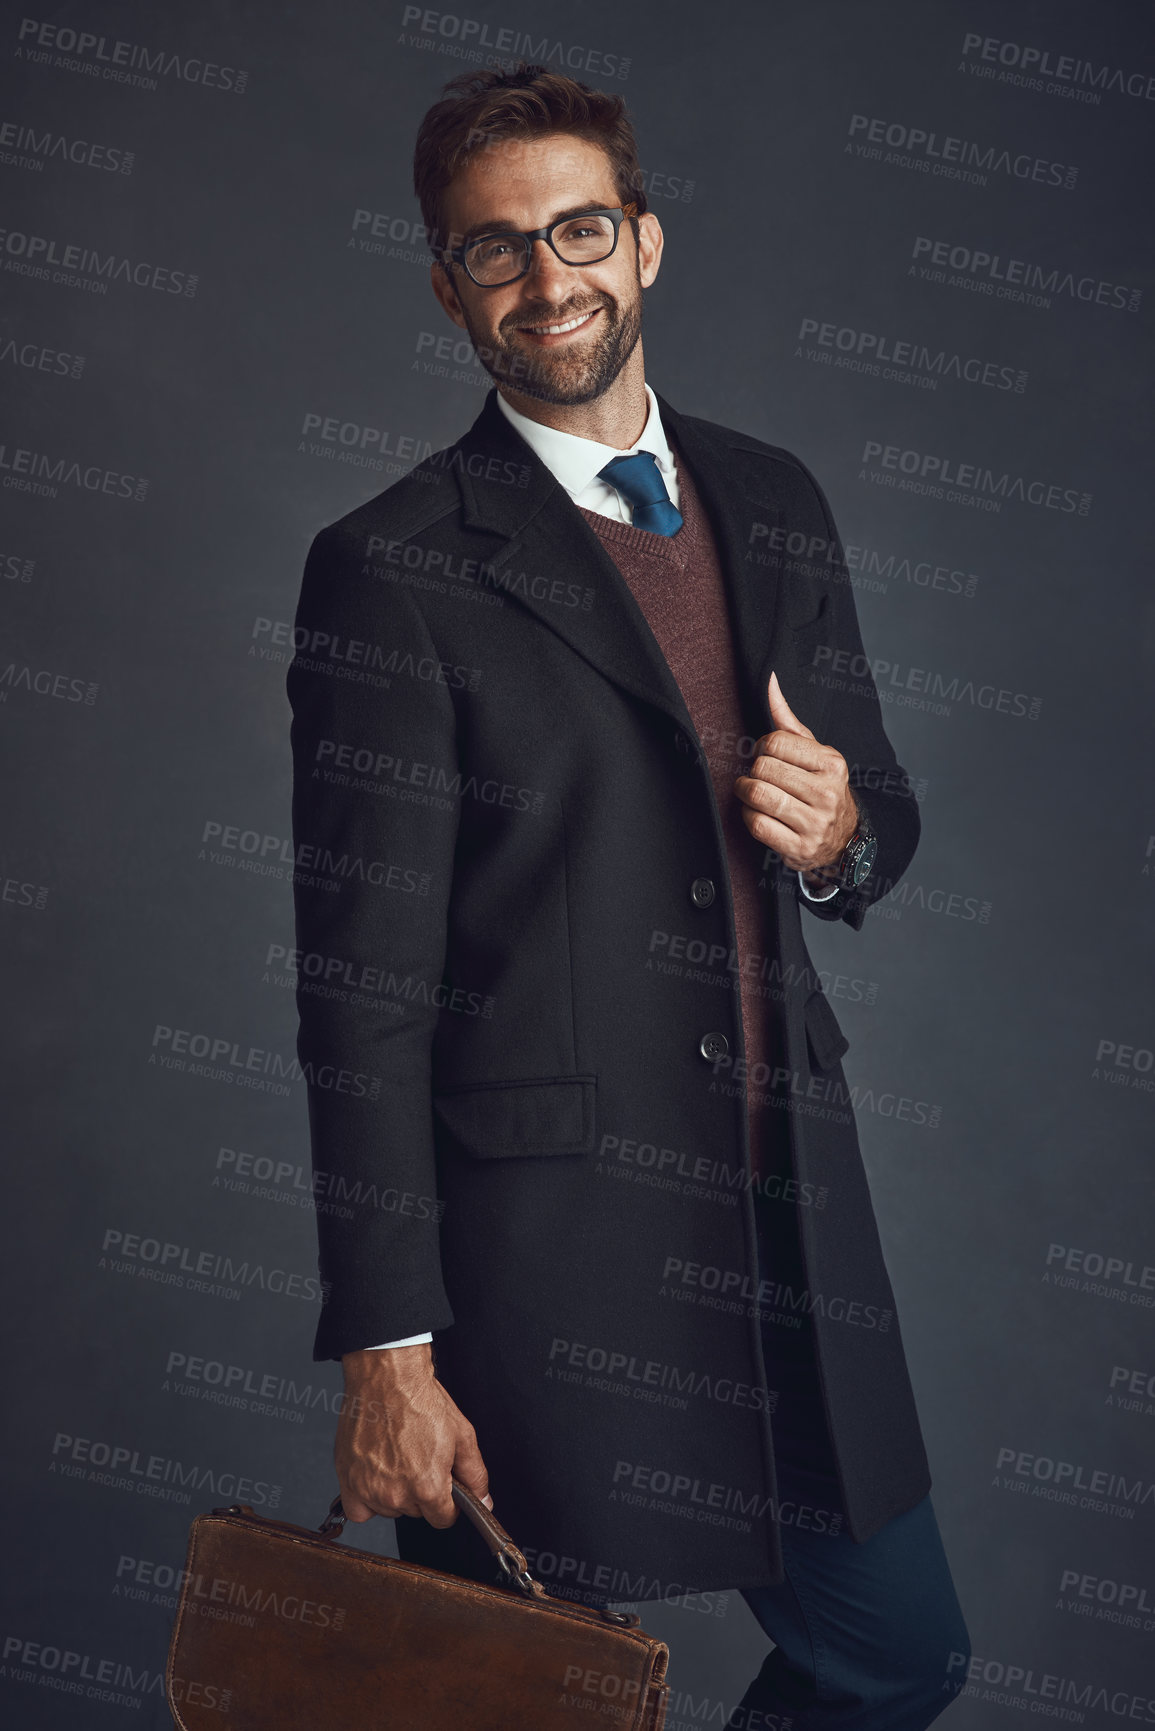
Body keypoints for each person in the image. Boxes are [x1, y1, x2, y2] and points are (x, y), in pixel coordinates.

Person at [286, 62, 971, 1730]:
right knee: (521, 1702)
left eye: (579, 229)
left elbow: (875, 810)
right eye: (498, 248)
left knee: (894, 1654)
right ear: (449, 284)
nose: (548, 277)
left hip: (785, 1222)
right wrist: (389, 1349)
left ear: (646, 243)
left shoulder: (777, 498)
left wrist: (839, 838)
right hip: (543, 1262)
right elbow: (358, 996)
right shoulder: (392, 569)